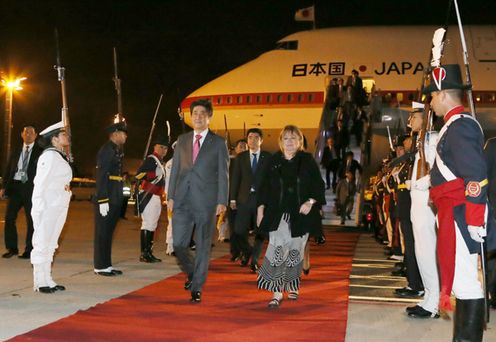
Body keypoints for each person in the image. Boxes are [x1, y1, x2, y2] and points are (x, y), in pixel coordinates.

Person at [426, 64, 495, 341]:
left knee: (468, 285)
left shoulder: (460, 126)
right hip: (455, 212)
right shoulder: (454, 126)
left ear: (442, 94)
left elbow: (476, 175)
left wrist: (475, 220)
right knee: (464, 283)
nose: (430, 103)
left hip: (462, 214)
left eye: (432, 96)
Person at [256, 125, 325, 308]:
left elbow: (318, 185)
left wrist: (310, 202)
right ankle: (277, 293)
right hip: (277, 215)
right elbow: (263, 187)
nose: (290, 142)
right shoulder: (273, 161)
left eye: (294, 138)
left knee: (295, 253)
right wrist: (260, 209)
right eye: (286, 138)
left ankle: (293, 285)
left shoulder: (307, 160)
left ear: (300, 142)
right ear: (281, 141)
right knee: (277, 251)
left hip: (300, 216)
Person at [167, 99, 229, 303]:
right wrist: (171, 196)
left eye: (203, 113)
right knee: (178, 244)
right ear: (190, 116)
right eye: (195, 113)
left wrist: (222, 200)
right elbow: (175, 169)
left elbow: (223, 174)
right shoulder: (183, 139)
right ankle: (193, 271)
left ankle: (197, 286)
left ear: (209, 116)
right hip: (182, 200)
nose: (198, 116)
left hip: (206, 201)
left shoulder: (218, 143)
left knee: (203, 245)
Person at [404, 101, 440, 318]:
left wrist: (419, 184)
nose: (411, 121)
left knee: (427, 250)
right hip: (417, 202)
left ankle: (433, 302)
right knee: (421, 251)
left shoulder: (433, 139)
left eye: (414, 117)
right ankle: (428, 297)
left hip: (426, 200)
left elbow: (437, 168)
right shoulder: (421, 140)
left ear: (425, 118)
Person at [30, 121, 72, 293]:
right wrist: (38, 207)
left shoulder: (58, 155)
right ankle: (39, 282)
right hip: (48, 204)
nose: (67, 137)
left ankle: (48, 278)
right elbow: (39, 184)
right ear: (54, 139)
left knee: (52, 243)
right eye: (63, 135)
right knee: (42, 242)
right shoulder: (48, 156)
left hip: (59, 203)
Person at [229, 128, 271, 273]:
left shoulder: (267, 157)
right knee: (239, 230)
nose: (252, 140)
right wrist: (233, 198)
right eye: (250, 137)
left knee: (260, 232)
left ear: (261, 140)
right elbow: (236, 179)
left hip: (261, 200)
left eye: (256, 137)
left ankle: (254, 261)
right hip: (243, 199)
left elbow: (270, 181)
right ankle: (248, 251)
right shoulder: (241, 157)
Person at [1, 125, 43, 259]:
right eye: (26, 132)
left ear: (36, 135)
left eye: (31, 132)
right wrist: (3, 187)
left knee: (31, 220)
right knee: (9, 218)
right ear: (22, 134)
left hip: (31, 189)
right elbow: (8, 169)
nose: (28, 135)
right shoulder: (16, 150)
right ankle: (12, 248)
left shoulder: (41, 151)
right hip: (15, 188)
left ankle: (29, 250)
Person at [93, 118, 128, 276]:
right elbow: (101, 175)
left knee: (108, 232)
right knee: (102, 232)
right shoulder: (107, 150)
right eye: (123, 133)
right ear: (115, 134)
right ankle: (100, 266)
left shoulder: (115, 150)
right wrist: (102, 199)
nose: (125, 137)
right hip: (107, 195)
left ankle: (106, 264)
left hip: (115, 194)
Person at [135, 136, 169, 263]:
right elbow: (138, 175)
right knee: (148, 224)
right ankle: (145, 253)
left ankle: (148, 252)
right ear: (155, 147)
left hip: (156, 195)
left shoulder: (159, 161)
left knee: (152, 224)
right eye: (161, 147)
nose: (163, 150)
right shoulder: (151, 159)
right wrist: (154, 174)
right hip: (149, 194)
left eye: (165, 148)